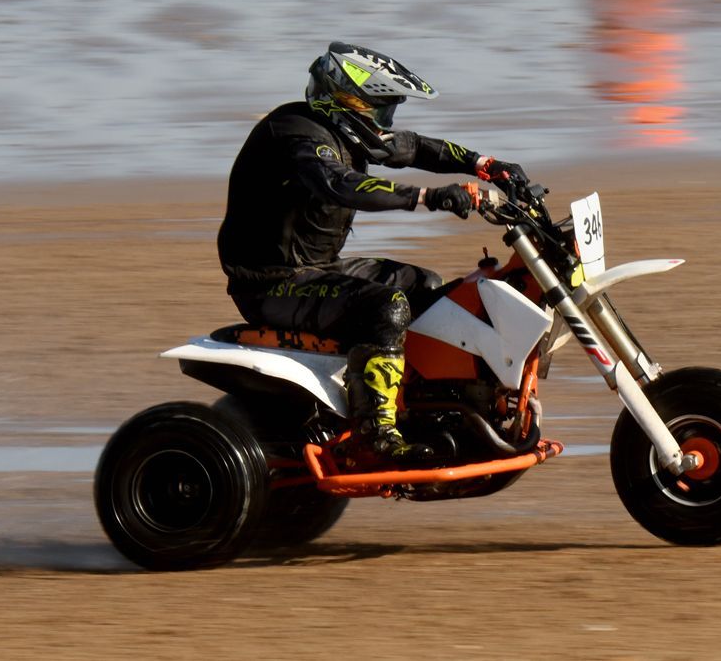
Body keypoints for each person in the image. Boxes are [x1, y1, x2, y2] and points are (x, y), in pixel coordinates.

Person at [217, 41, 527, 461]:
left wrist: (486, 165)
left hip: (318, 269)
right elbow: (339, 183)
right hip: (273, 284)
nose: (384, 123)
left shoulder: (350, 132)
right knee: (388, 307)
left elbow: (415, 147)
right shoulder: (295, 132)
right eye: (378, 110)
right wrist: (429, 198)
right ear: (344, 101)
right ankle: (375, 433)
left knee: (426, 286)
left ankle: (428, 405)